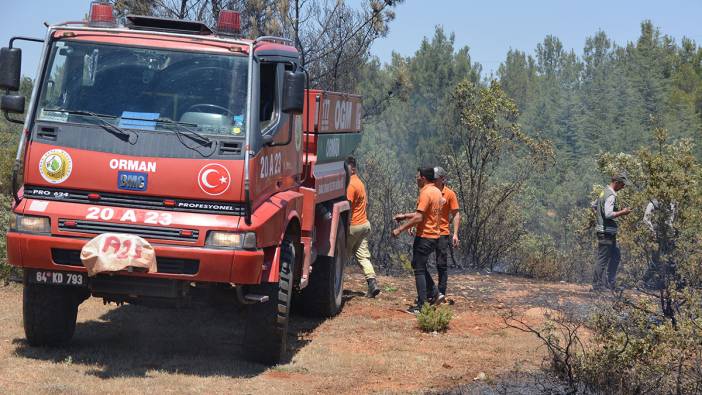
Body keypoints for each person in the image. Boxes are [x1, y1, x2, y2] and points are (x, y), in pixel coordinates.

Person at [391, 167, 443, 314]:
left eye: (417, 177)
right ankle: (435, 293)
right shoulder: (437, 191)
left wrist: (399, 229)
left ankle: (422, 305)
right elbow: (422, 213)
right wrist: (405, 216)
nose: (416, 179)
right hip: (434, 236)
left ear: (423, 178)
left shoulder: (425, 193)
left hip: (425, 236)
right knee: (417, 264)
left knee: (419, 268)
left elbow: (419, 217)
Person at [345, 156, 381, 298]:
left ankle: (333, 288)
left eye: (346, 167)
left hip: (354, 226)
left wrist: (345, 225)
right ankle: (372, 283)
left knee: (341, 258)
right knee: (363, 257)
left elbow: (347, 207)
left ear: (353, 168)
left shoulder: (351, 185)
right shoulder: (359, 182)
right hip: (364, 225)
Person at [592, 172, 632, 291]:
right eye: (622, 184)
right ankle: (597, 286)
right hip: (606, 233)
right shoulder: (611, 195)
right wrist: (623, 212)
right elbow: (609, 214)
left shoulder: (604, 191)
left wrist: (599, 217)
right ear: (617, 183)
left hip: (606, 231)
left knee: (615, 256)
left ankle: (611, 283)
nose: (623, 187)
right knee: (603, 258)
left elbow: (594, 205)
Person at [432, 167, 460, 303]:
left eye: (435, 178)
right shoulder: (429, 191)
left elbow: (455, 214)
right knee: (421, 262)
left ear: (442, 179)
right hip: (428, 232)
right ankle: (430, 292)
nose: (433, 180)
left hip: (442, 233)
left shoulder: (449, 194)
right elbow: (421, 210)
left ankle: (441, 293)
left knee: (441, 264)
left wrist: (455, 234)